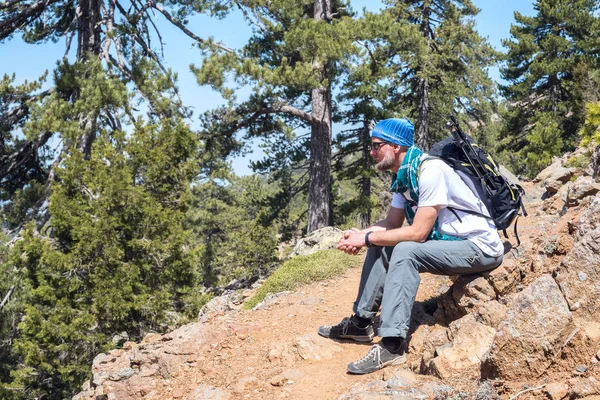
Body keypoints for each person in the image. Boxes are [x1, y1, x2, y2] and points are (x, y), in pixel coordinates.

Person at [318, 118, 504, 375]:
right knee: (382, 244)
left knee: (405, 249)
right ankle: (361, 323)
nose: (371, 153)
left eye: (376, 146)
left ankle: (392, 345)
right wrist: (361, 234)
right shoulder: (403, 175)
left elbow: (417, 234)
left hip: (479, 247)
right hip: (450, 245)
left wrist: (368, 238)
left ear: (395, 146)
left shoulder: (430, 171)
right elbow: (392, 223)